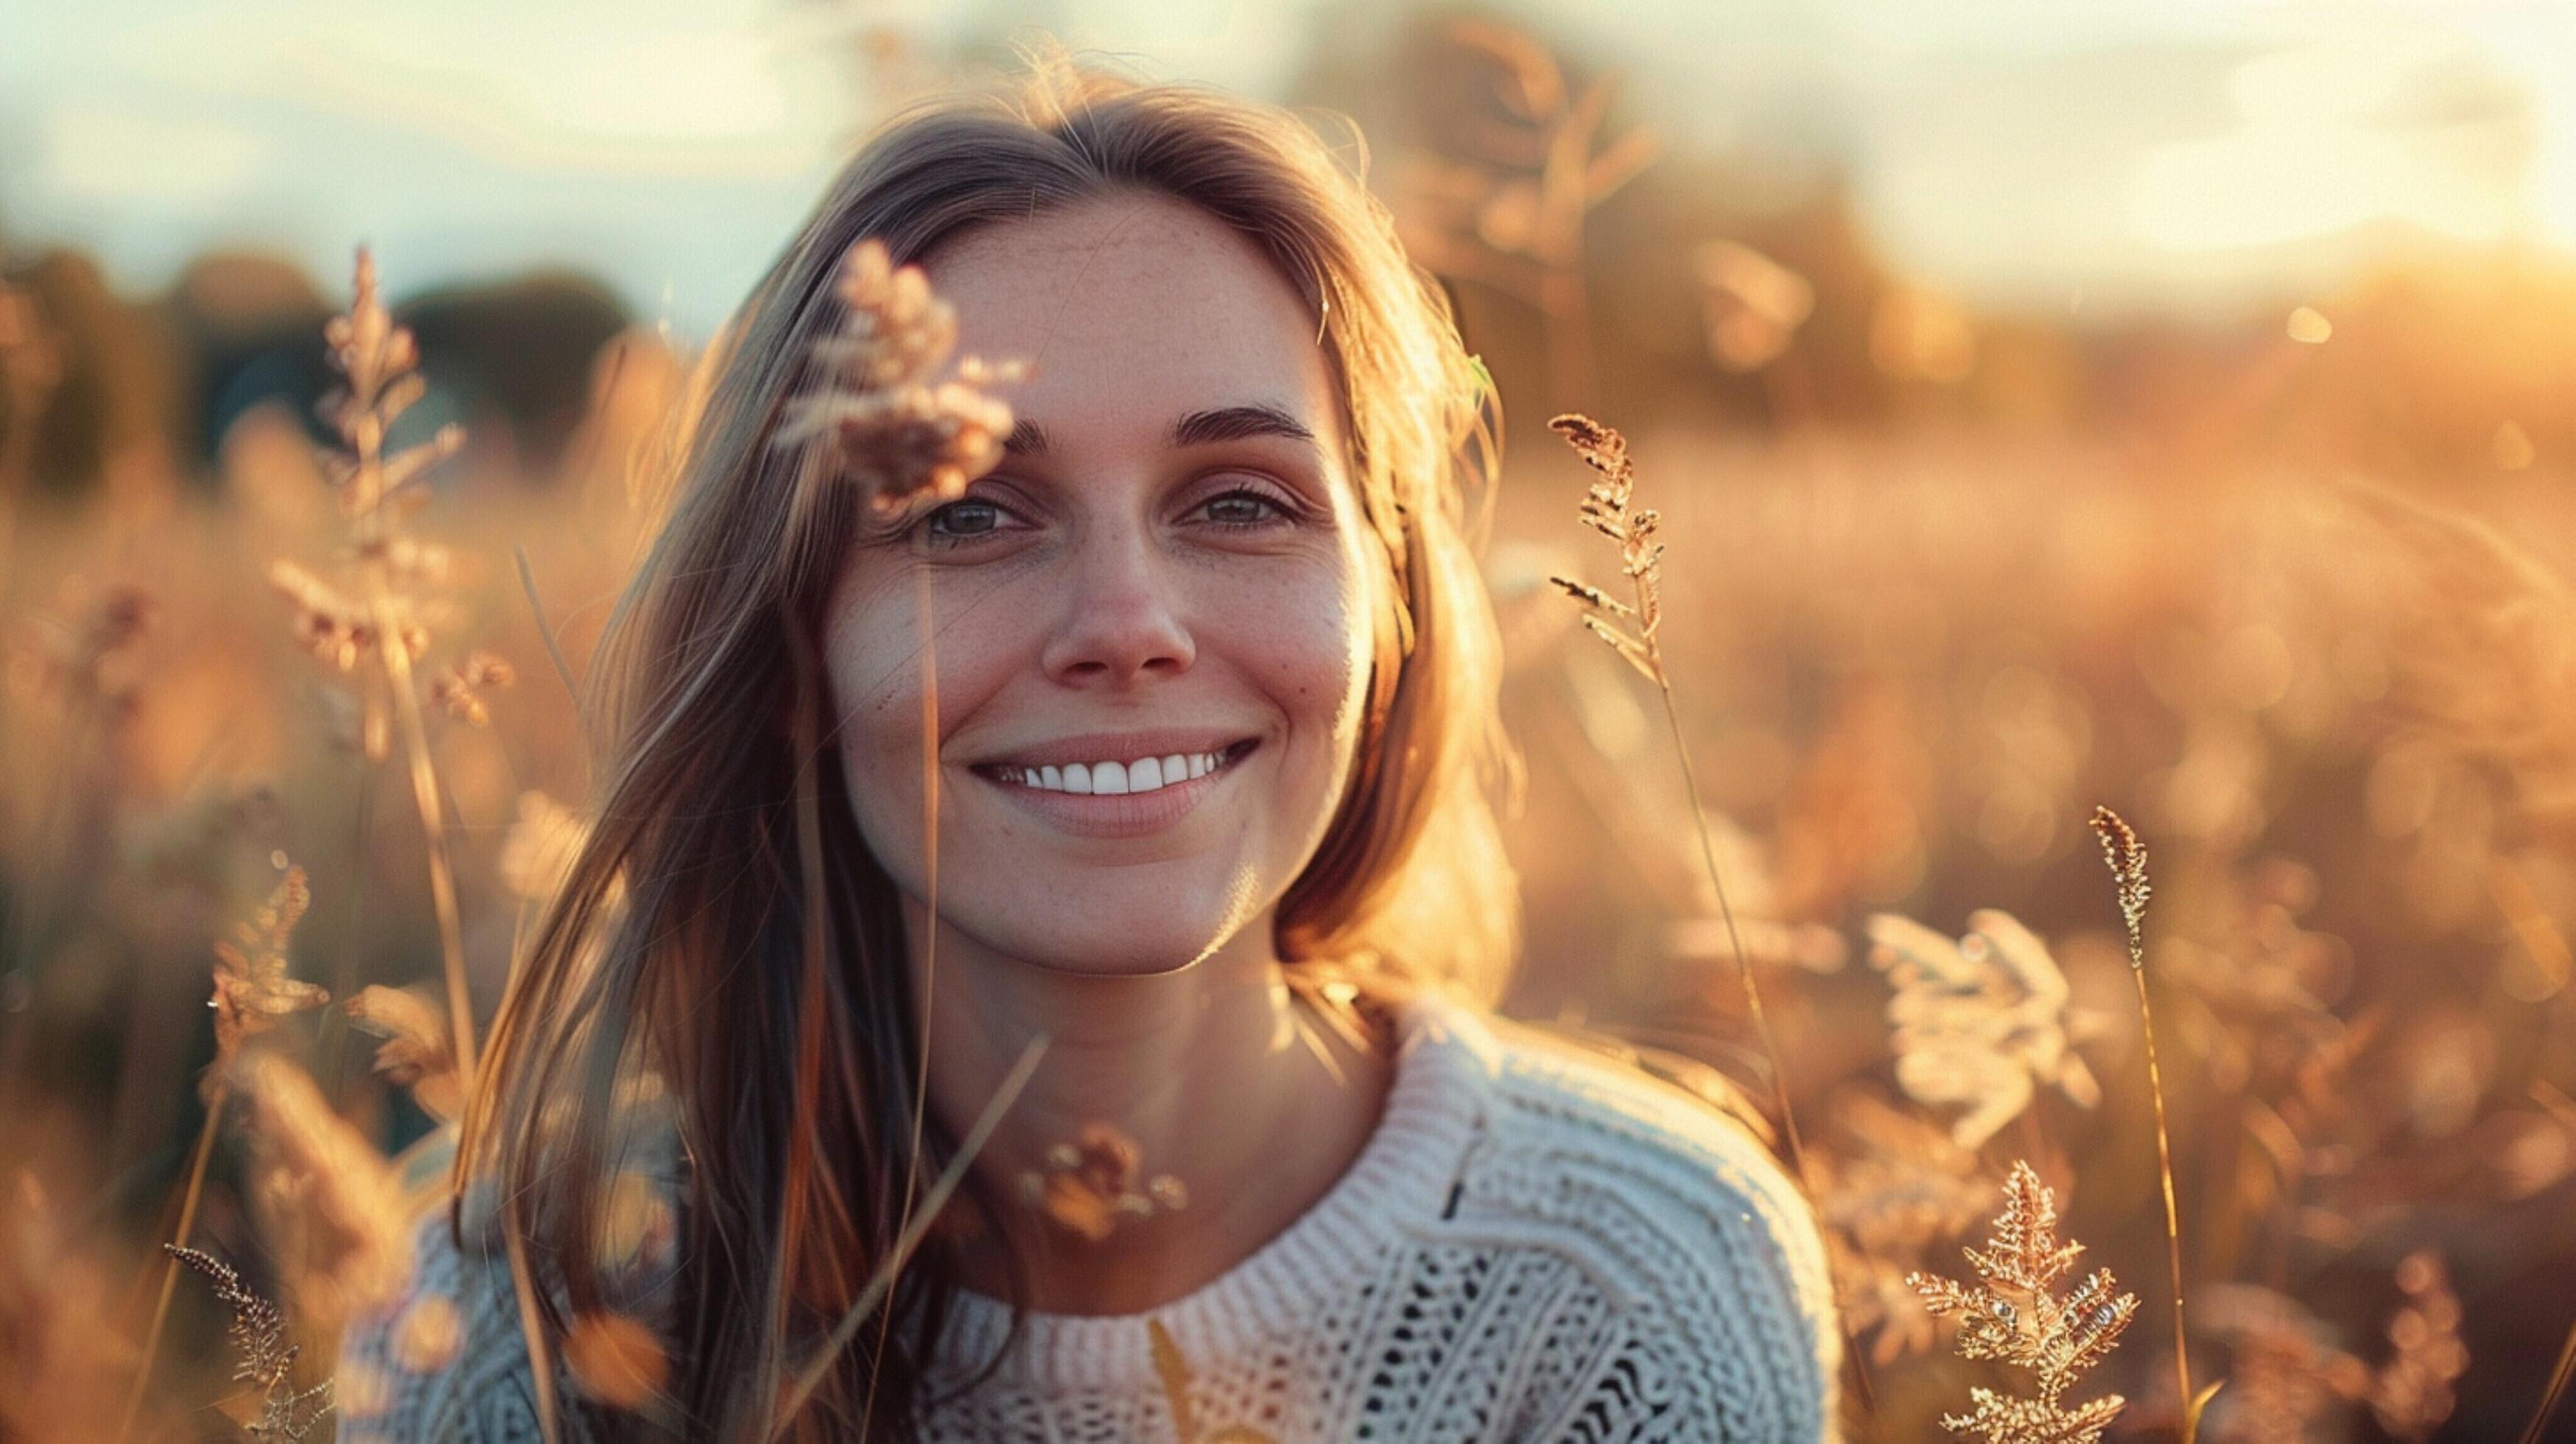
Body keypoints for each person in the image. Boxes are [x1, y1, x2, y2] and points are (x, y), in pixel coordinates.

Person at [337, 49, 1841, 1443]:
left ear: (1388, 602)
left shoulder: (1645, 1279)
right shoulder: (522, 1312)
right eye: (970, 513)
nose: (1128, 623)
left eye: (1239, 500)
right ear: (794, 650)